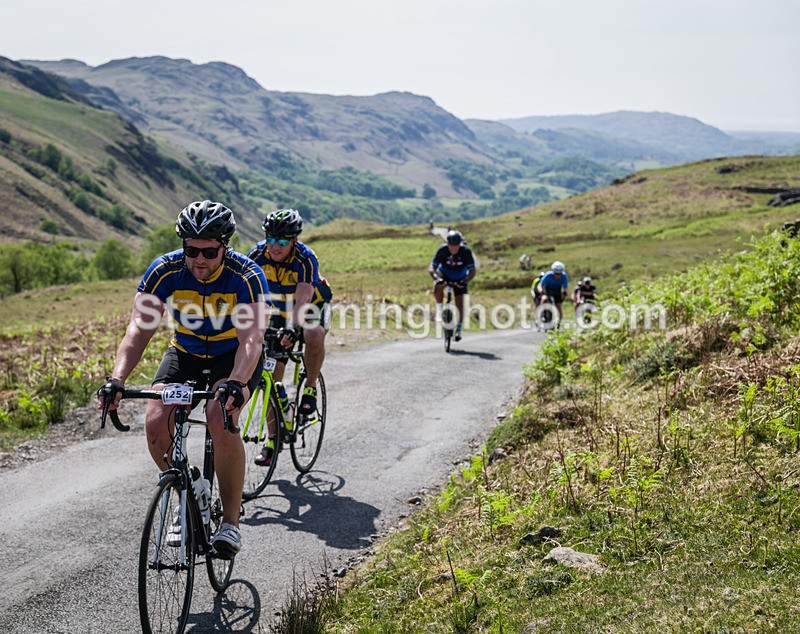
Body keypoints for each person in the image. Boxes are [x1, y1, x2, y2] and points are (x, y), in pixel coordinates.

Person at [97, 200, 268, 559]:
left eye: (209, 251)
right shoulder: (165, 270)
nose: (199, 260)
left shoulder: (246, 275)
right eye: (191, 250)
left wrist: (236, 382)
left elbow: (252, 338)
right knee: (157, 422)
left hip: (232, 354)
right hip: (186, 353)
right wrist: (117, 379)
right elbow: (138, 331)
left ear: (225, 246)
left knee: (220, 418)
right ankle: (188, 495)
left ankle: (231, 524)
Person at [247, 208, 333, 467]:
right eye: (271, 239)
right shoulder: (256, 253)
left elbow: (305, 297)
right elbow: (246, 292)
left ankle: (309, 389)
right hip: (277, 310)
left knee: (313, 333)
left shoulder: (305, 258)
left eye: (282, 241)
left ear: (294, 241)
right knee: (271, 379)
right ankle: (273, 441)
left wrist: (294, 327)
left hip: (310, 307)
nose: (275, 246)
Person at [429, 229, 476, 342]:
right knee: (438, 286)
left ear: (460, 244)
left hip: (460, 277)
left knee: (460, 301)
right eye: (451, 245)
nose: (453, 248)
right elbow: (432, 268)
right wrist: (437, 278)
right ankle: (439, 309)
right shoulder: (442, 250)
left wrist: (465, 281)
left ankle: (459, 328)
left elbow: (472, 271)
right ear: (447, 244)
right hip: (444, 274)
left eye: (456, 246)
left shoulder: (466, 251)